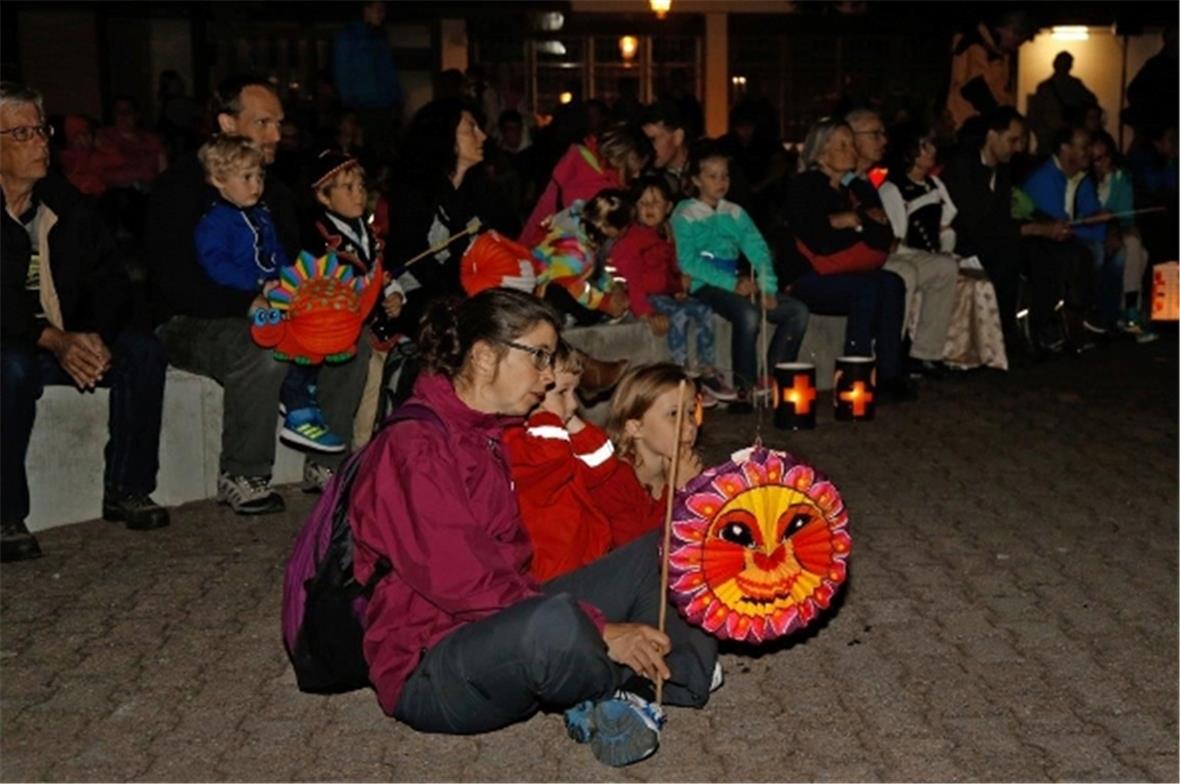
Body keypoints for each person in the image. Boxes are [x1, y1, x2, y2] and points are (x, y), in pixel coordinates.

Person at [348, 288, 717, 766]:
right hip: (429, 663)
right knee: (555, 624)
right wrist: (603, 629)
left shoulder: (487, 431)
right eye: (539, 356)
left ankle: (655, 685)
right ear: (484, 356)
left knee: (666, 548)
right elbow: (467, 585)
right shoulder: (415, 449)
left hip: (501, 618)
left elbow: (524, 566)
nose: (547, 376)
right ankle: (615, 684)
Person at [148, 75, 369, 513]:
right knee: (263, 347)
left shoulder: (273, 192)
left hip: (266, 310)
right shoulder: (181, 187)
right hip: (191, 320)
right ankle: (242, 472)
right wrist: (249, 304)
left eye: (279, 124)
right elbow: (175, 282)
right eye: (263, 123)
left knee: (350, 338)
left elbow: (291, 264)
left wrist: (320, 300)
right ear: (227, 123)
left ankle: (326, 463)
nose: (276, 135)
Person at [1, 82, 169, 562]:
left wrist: (93, 334)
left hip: (64, 339)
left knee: (143, 352)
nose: (39, 143)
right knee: (10, 368)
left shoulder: (66, 203)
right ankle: (5, 514)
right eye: (22, 133)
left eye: (41, 130)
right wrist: (52, 339)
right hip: (15, 342)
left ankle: (128, 487)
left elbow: (112, 280)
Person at [193, 135, 349, 454]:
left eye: (260, 176)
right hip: (243, 303)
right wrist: (258, 283)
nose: (257, 185)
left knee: (320, 328)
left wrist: (294, 280)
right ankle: (297, 408)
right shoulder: (215, 223)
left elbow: (278, 255)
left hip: (276, 294)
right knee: (281, 337)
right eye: (247, 177)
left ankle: (304, 391)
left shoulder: (262, 214)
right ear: (219, 179)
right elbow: (216, 266)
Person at [670, 140, 809, 409]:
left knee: (797, 311)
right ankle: (744, 388)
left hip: (736, 281)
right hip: (704, 284)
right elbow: (688, 262)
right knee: (748, 314)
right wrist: (732, 283)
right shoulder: (684, 214)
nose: (721, 182)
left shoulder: (734, 212)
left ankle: (771, 379)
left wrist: (767, 287)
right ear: (696, 180)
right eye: (712, 176)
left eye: (725, 175)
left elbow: (758, 250)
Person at [782, 119, 912, 401]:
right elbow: (819, 241)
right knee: (867, 289)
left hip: (847, 271)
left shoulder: (856, 189)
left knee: (892, 283)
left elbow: (884, 236)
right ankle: (855, 376)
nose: (851, 150)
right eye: (842, 145)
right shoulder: (804, 187)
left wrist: (852, 222)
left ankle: (889, 375)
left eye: (852, 144)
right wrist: (856, 226)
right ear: (820, 152)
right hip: (810, 276)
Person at [940, 108, 1073, 358]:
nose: (1018, 148)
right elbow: (975, 225)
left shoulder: (1001, 171)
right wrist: (1034, 229)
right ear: (992, 135)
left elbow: (1004, 218)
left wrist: (1044, 228)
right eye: (1013, 140)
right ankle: (1008, 336)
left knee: (1047, 252)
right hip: (967, 244)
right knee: (1009, 256)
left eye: (1020, 141)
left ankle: (1040, 327)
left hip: (998, 240)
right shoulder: (962, 168)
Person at [302, 150, 407, 443]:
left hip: (372, 325)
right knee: (367, 370)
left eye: (361, 186)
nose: (358, 194)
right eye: (347, 188)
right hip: (337, 329)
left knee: (392, 368)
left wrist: (393, 294)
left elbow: (381, 272)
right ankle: (345, 445)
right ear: (324, 197)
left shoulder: (368, 233)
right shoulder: (319, 237)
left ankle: (369, 444)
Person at [847, 109, 957, 379]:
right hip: (865, 257)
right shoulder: (862, 182)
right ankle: (890, 356)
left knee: (944, 267)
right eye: (875, 134)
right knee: (903, 273)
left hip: (884, 251)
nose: (883, 141)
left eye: (883, 134)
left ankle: (925, 353)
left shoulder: (868, 180)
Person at [610, 174, 733, 404]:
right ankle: (680, 373)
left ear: (667, 207)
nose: (649, 208)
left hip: (665, 295)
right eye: (643, 203)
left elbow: (670, 267)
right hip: (647, 297)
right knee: (679, 315)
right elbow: (632, 281)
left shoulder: (665, 233)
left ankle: (707, 370)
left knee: (704, 310)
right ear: (635, 208)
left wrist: (677, 288)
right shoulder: (632, 239)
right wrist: (645, 312)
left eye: (656, 203)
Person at [503, 342, 618, 582]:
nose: (574, 403)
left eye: (574, 392)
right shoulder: (516, 440)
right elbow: (550, 464)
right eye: (562, 392)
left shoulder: (555, 436)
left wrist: (568, 418)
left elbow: (602, 465)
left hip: (584, 557)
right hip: (551, 571)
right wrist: (545, 415)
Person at [1022, 125, 1117, 337]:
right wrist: (1093, 227)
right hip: (1041, 242)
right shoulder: (1044, 179)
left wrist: (1106, 229)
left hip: (1068, 238)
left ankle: (1106, 313)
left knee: (1114, 251)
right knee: (1087, 253)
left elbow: (1090, 215)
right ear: (1065, 149)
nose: (1089, 152)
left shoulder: (1080, 179)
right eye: (1084, 147)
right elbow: (1056, 226)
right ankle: (1076, 314)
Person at [597, 363, 706, 543]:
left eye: (691, 412)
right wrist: (676, 491)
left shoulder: (689, 468)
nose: (689, 426)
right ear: (636, 427)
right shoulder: (614, 482)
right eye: (674, 414)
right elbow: (640, 548)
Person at [520, 124, 650, 247]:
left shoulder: (576, 162)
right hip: (560, 258)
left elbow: (543, 210)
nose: (637, 175)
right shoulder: (604, 193)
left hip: (533, 245)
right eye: (634, 168)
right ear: (620, 159)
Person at [1090, 131, 1158, 343]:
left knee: (1134, 245)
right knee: (1139, 253)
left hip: (1118, 230)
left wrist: (1117, 228)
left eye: (1105, 157)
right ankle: (1129, 312)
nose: (1101, 163)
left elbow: (1125, 216)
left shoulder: (1121, 178)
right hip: (1094, 234)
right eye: (1095, 159)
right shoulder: (1085, 182)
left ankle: (1129, 312)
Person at [532, 189, 631, 325]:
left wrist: (614, 287)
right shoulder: (571, 243)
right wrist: (605, 303)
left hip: (570, 283)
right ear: (610, 227)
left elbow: (599, 271)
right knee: (559, 292)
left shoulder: (590, 237)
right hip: (545, 295)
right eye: (627, 225)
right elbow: (570, 283)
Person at [334, 1, 402, 164]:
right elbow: (342, 69)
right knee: (364, 149)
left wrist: (396, 98)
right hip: (362, 105)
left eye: (383, 11)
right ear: (366, 10)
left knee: (382, 150)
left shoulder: (380, 37)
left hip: (383, 105)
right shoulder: (350, 36)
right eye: (378, 10)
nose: (382, 15)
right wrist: (348, 105)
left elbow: (388, 71)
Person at [945, 11, 1034, 130]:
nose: (1018, 45)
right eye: (1020, 39)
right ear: (1007, 30)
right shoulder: (973, 45)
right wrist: (1006, 121)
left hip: (981, 125)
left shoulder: (998, 53)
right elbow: (975, 89)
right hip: (968, 126)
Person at [1027, 52, 1100, 157]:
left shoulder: (1075, 86)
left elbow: (1091, 102)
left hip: (1066, 139)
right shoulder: (1046, 88)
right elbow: (1034, 116)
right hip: (1051, 140)